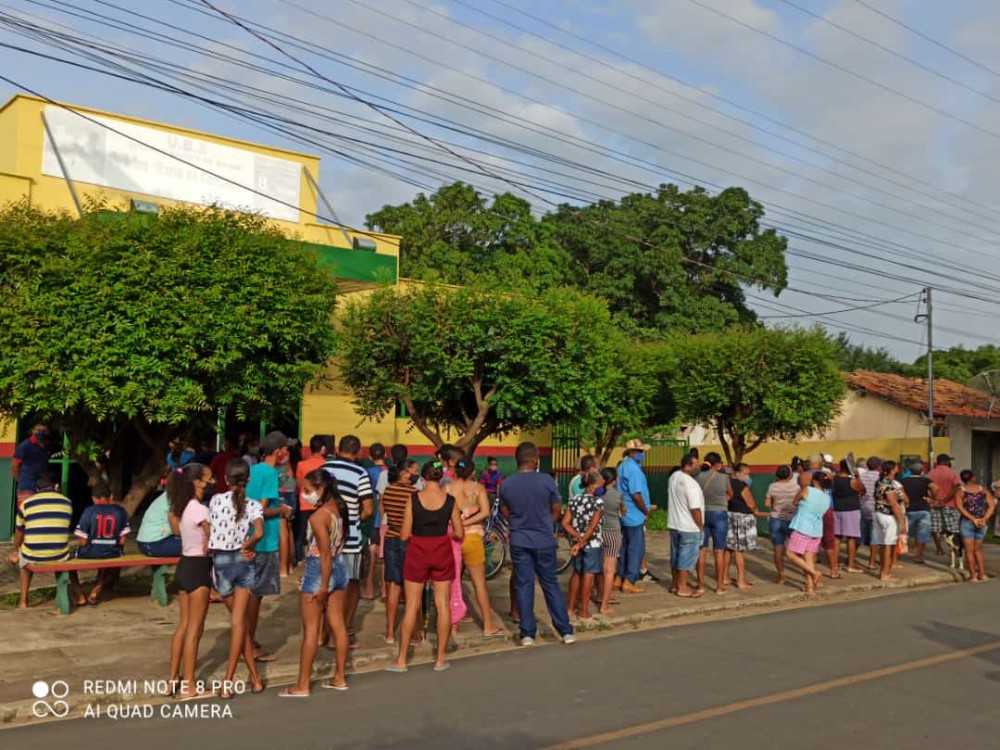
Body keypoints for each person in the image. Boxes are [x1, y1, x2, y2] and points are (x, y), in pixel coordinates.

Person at [387, 461, 466, 673]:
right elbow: (459, 533)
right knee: (442, 605)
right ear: (441, 477)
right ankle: (440, 659)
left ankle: (402, 659)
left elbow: (404, 534)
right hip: (441, 551)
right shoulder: (450, 501)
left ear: (422, 478)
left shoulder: (413, 499)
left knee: (412, 605)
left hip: (418, 551)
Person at [281, 470, 352, 696]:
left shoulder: (318, 517)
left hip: (321, 570)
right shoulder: (339, 511)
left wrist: (321, 586)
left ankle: (302, 684)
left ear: (321, 490)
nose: (305, 495)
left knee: (311, 631)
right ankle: (339, 677)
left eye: (308, 491)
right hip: (340, 568)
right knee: (339, 626)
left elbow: (323, 555)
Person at [500, 442, 575, 647]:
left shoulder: (506, 483)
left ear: (518, 460)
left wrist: (518, 522)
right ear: (534, 460)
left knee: (524, 585)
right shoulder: (547, 481)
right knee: (550, 583)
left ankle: (527, 633)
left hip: (519, 539)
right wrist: (545, 523)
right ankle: (565, 630)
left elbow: (505, 510)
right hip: (543, 539)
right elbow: (556, 509)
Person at [208, 460, 265, 698]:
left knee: (238, 623)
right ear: (248, 480)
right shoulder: (252, 505)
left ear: (225, 479)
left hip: (221, 563)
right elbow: (259, 532)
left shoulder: (215, 500)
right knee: (239, 625)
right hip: (243, 563)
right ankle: (254, 677)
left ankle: (228, 681)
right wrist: (248, 545)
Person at [167, 462, 215, 700]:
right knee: (195, 629)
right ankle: (189, 684)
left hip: (185, 564)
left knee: (184, 626)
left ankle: (172, 679)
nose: (211, 482)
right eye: (208, 478)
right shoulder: (199, 509)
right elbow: (213, 537)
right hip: (198, 567)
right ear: (197, 482)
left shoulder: (182, 506)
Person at [323, 435, 374, 649]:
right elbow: (369, 509)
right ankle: (344, 629)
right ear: (359, 452)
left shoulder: (324, 469)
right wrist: (353, 518)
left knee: (325, 583)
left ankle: (323, 632)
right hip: (350, 538)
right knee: (351, 585)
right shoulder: (360, 473)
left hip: (325, 536)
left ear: (337, 449)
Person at [246, 431, 292, 663]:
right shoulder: (271, 474)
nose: (288, 452)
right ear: (278, 451)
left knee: (248, 594)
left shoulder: (252, 470)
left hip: (247, 537)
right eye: (286, 448)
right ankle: (248, 645)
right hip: (263, 541)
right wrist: (282, 510)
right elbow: (261, 510)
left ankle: (247, 641)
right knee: (256, 596)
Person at [452, 457, 503, 636]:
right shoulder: (478, 489)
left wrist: (459, 524)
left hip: (453, 539)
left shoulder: (447, 489)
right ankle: (488, 625)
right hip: (473, 537)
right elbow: (485, 512)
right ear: (473, 472)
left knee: (453, 582)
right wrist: (467, 524)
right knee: (479, 584)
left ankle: (452, 625)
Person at [10, 472, 77, 608]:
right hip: (60, 555)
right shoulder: (67, 502)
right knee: (69, 558)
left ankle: (23, 602)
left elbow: (19, 531)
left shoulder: (26, 504)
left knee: (24, 561)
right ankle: (80, 594)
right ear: (56, 486)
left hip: (34, 555)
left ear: (37, 489)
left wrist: (15, 550)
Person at [380, 459, 419, 644]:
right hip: (409, 540)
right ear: (403, 473)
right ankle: (414, 633)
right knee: (412, 587)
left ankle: (389, 632)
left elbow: (384, 513)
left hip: (391, 538)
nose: (412, 474)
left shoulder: (387, 491)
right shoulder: (413, 493)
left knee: (393, 586)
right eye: (409, 472)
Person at [74, 481, 130, 605]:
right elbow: (122, 539)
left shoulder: (88, 511)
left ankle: (79, 595)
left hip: (89, 552)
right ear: (111, 497)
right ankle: (96, 589)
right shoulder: (120, 511)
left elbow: (83, 542)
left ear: (93, 498)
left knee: (68, 565)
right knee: (111, 560)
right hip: (112, 552)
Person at [562, 471, 604, 621]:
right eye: (600, 485)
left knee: (576, 573)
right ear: (592, 486)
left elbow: (565, 523)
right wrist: (583, 541)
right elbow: (593, 527)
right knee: (588, 575)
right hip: (592, 543)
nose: (602, 489)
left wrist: (577, 538)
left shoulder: (574, 500)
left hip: (577, 542)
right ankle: (584, 612)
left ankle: (570, 608)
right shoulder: (597, 502)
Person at [785, 471, 830, 594]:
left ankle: (815, 573)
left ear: (814, 481)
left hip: (802, 527)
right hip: (816, 530)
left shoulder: (807, 490)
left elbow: (794, 502)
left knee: (791, 554)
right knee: (808, 558)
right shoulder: (827, 497)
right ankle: (810, 587)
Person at [617, 439, 652, 594]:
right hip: (635, 514)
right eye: (639, 451)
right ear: (632, 453)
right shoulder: (635, 470)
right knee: (635, 549)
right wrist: (645, 511)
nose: (642, 454)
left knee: (624, 548)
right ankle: (629, 580)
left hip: (624, 514)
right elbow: (636, 495)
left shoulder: (623, 466)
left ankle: (619, 577)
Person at [667, 454, 705, 599]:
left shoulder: (674, 477)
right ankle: (682, 588)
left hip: (675, 524)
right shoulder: (692, 485)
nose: (698, 467)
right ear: (687, 466)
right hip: (689, 526)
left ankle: (675, 584)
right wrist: (700, 527)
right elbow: (695, 509)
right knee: (686, 558)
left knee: (675, 556)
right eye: (696, 465)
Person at [695, 452, 731, 595]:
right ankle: (720, 586)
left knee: (701, 550)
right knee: (719, 551)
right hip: (719, 514)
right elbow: (730, 493)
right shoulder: (724, 477)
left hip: (703, 514)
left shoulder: (698, 477)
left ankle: (700, 585)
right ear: (717, 464)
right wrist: (723, 501)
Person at [725, 463, 760, 590]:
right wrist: (755, 510)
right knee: (739, 550)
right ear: (737, 473)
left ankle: (725, 577)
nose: (747, 476)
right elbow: (750, 503)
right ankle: (741, 580)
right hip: (742, 517)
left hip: (729, 515)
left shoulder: (727, 482)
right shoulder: (741, 485)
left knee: (728, 548)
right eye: (745, 473)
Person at [957, 469, 995, 582]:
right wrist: (984, 518)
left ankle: (973, 575)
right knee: (978, 549)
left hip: (967, 522)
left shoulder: (960, 491)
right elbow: (991, 506)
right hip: (982, 523)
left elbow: (960, 508)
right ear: (973, 478)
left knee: (969, 550)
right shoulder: (983, 490)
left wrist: (972, 518)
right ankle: (982, 574)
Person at [295, 436, 328, 565]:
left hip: (305, 504)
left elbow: (299, 485)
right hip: (321, 505)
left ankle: (299, 558)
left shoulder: (301, 465)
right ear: (323, 449)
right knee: (321, 533)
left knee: (302, 533)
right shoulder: (326, 465)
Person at [362, 443, 389, 600]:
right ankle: (385, 589)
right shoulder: (392, 472)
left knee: (372, 551)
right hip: (389, 518)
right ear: (385, 455)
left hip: (375, 518)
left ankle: (370, 588)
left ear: (370, 457)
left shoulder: (369, 473)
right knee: (386, 556)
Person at [873, 461, 907, 582]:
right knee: (889, 544)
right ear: (892, 470)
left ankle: (885, 570)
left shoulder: (880, 482)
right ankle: (885, 573)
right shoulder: (888, 484)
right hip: (888, 515)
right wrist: (902, 521)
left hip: (878, 513)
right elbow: (893, 504)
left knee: (884, 544)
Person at [765, 465, 798, 585]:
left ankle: (781, 577)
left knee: (778, 548)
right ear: (790, 474)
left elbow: (767, 504)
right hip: (792, 519)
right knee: (799, 548)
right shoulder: (796, 487)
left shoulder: (772, 487)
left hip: (775, 519)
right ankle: (806, 575)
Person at [597, 467, 624, 614]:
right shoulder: (618, 495)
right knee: (609, 571)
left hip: (599, 532)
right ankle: (604, 605)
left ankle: (600, 595)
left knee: (600, 569)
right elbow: (623, 511)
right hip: (613, 533)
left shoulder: (597, 495)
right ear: (614, 481)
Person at [832, 459, 866, 573]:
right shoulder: (853, 480)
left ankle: (835, 563)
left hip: (837, 509)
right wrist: (857, 477)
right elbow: (862, 489)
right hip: (851, 509)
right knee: (852, 537)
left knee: (837, 537)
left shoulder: (834, 479)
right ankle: (851, 564)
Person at [899, 462, 936, 565]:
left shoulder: (903, 481)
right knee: (922, 534)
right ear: (922, 472)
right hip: (923, 509)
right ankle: (918, 556)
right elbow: (935, 488)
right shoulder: (925, 480)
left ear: (910, 471)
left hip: (908, 509)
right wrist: (933, 498)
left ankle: (900, 552)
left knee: (904, 532)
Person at [927, 454, 961, 556]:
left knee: (936, 528)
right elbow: (955, 488)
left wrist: (935, 500)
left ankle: (939, 549)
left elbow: (928, 489)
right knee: (953, 527)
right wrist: (945, 500)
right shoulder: (953, 473)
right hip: (949, 504)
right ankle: (954, 548)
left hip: (934, 505)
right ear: (947, 462)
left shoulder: (930, 474)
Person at [137, 484, 183, 558]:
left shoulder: (167, 496)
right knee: (195, 545)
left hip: (146, 543)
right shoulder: (176, 498)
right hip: (154, 543)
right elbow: (176, 531)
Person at [12, 424, 52, 506]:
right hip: (26, 488)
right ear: (33, 431)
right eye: (38, 430)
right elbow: (15, 466)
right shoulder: (25, 445)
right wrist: (21, 481)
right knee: (25, 513)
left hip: (43, 487)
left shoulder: (47, 446)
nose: (41, 433)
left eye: (44, 431)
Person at [277, 445, 298, 577]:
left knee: (282, 529)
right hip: (291, 493)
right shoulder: (292, 459)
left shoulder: (279, 457)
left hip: (281, 493)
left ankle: (283, 568)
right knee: (289, 530)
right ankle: (290, 565)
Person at [858, 456, 881, 569]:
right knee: (875, 537)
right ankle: (872, 562)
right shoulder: (880, 477)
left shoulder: (861, 476)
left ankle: (850, 558)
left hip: (862, 507)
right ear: (878, 466)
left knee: (858, 535)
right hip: (875, 508)